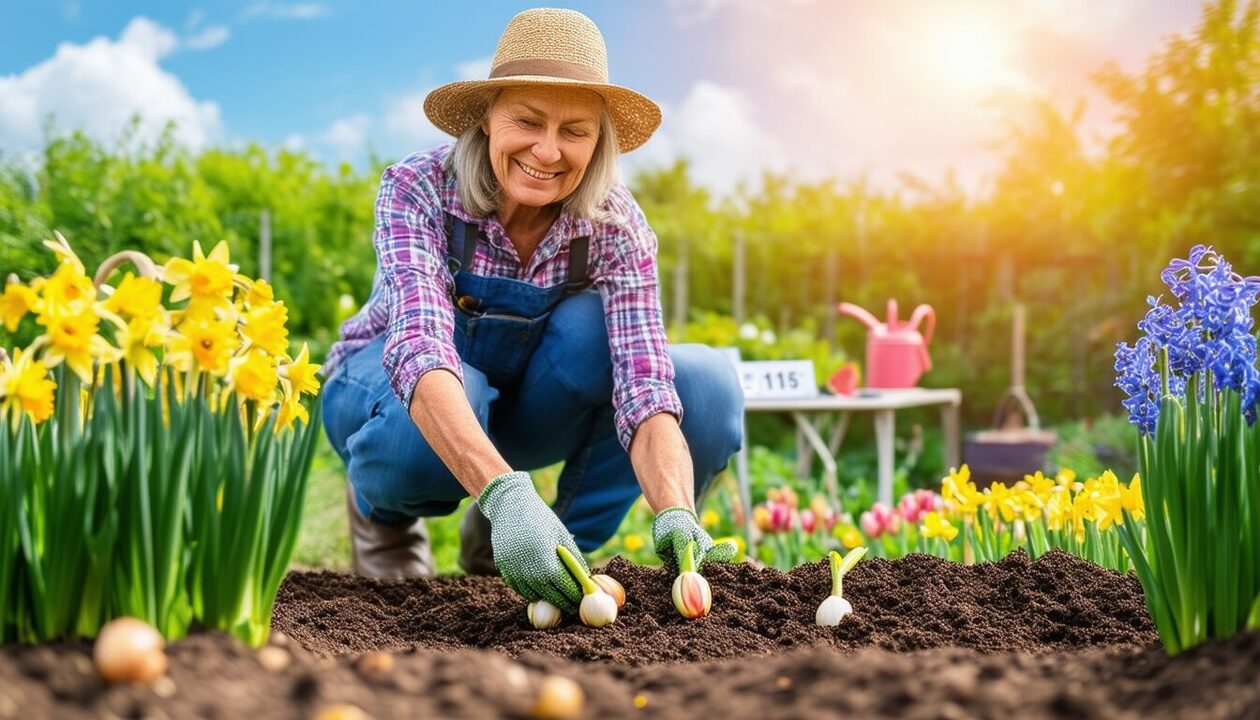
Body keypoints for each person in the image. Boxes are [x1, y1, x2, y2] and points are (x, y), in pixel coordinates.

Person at [321, 7, 743, 613]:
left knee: (702, 387)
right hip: (387, 394)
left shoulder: (613, 224)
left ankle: (544, 549)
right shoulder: (419, 187)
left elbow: (645, 384)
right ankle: (384, 517)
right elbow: (420, 347)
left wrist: (675, 509)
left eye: (575, 131)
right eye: (528, 121)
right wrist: (507, 495)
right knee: (440, 409)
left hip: (515, 406)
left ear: (599, 142)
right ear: (489, 119)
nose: (548, 152)